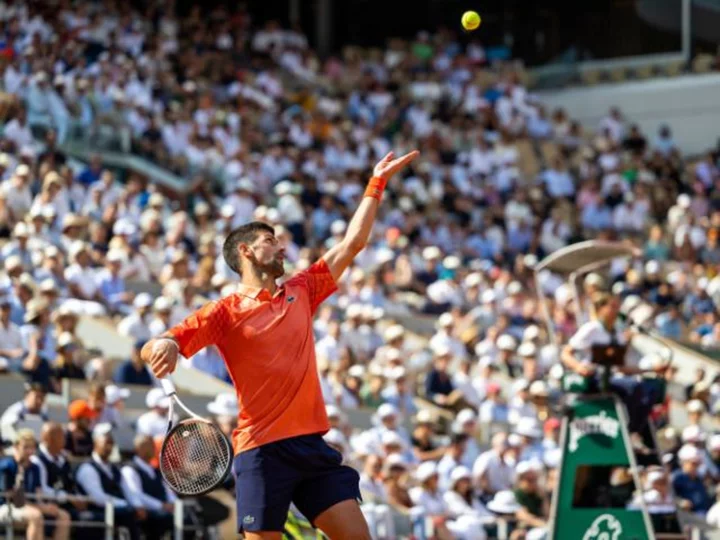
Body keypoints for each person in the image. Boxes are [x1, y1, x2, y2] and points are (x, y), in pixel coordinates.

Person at [142, 150, 418, 539]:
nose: (282, 247)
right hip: (261, 452)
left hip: (311, 447)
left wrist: (376, 183)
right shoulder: (223, 312)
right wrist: (165, 346)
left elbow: (352, 244)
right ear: (246, 251)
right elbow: (157, 344)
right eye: (270, 241)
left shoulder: (302, 289)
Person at [0, 429, 71, 540]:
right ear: (16, 447)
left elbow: (37, 494)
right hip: (6, 507)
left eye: (32, 448)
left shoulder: (35, 468)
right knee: (35, 516)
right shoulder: (6, 466)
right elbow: (10, 497)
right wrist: (39, 507)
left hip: (30, 506)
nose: (29, 451)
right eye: (26, 447)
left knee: (63, 516)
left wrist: (45, 506)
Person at [120, 435, 176, 538]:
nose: (153, 448)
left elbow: (168, 491)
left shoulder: (156, 471)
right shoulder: (130, 469)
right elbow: (135, 494)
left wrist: (173, 503)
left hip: (164, 511)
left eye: (153, 444)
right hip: (147, 513)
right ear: (138, 448)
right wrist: (161, 505)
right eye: (149, 445)